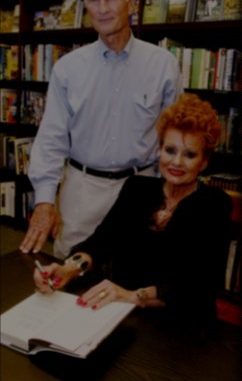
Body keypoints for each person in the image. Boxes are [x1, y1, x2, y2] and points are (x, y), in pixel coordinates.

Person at [21, 0, 180, 259]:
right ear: (86, 7)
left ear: (131, 2)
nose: (102, 8)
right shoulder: (67, 70)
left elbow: (176, 141)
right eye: (94, 0)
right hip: (81, 194)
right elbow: (51, 139)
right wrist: (44, 202)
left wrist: (170, 197)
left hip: (142, 190)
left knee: (132, 282)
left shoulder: (163, 65)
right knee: (69, 277)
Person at [33, 94, 231, 328]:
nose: (176, 162)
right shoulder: (137, 188)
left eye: (189, 154)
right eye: (170, 150)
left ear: (204, 161)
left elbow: (200, 286)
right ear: (159, 150)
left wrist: (133, 296)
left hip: (181, 327)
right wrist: (68, 268)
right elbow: (101, 240)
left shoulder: (215, 204)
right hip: (122, 314)